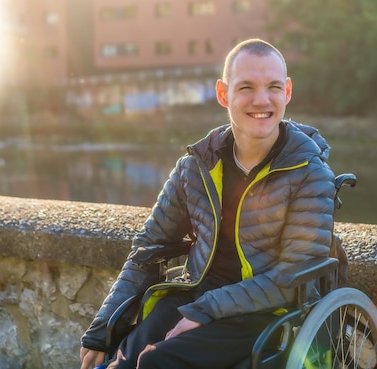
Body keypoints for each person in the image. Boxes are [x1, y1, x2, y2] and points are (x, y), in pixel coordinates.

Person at [79, 38, 337, 369]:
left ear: (286, 92)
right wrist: (103, 329)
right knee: (117, 365)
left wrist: (207, 310)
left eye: (273, 87)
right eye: (246, 87)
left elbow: (291, 277)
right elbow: (148, 250)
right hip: (196, 296)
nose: (262, 99)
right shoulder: (195, 166)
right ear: (223, 93)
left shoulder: (310, 172)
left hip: (264, 311)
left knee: (159, 363)